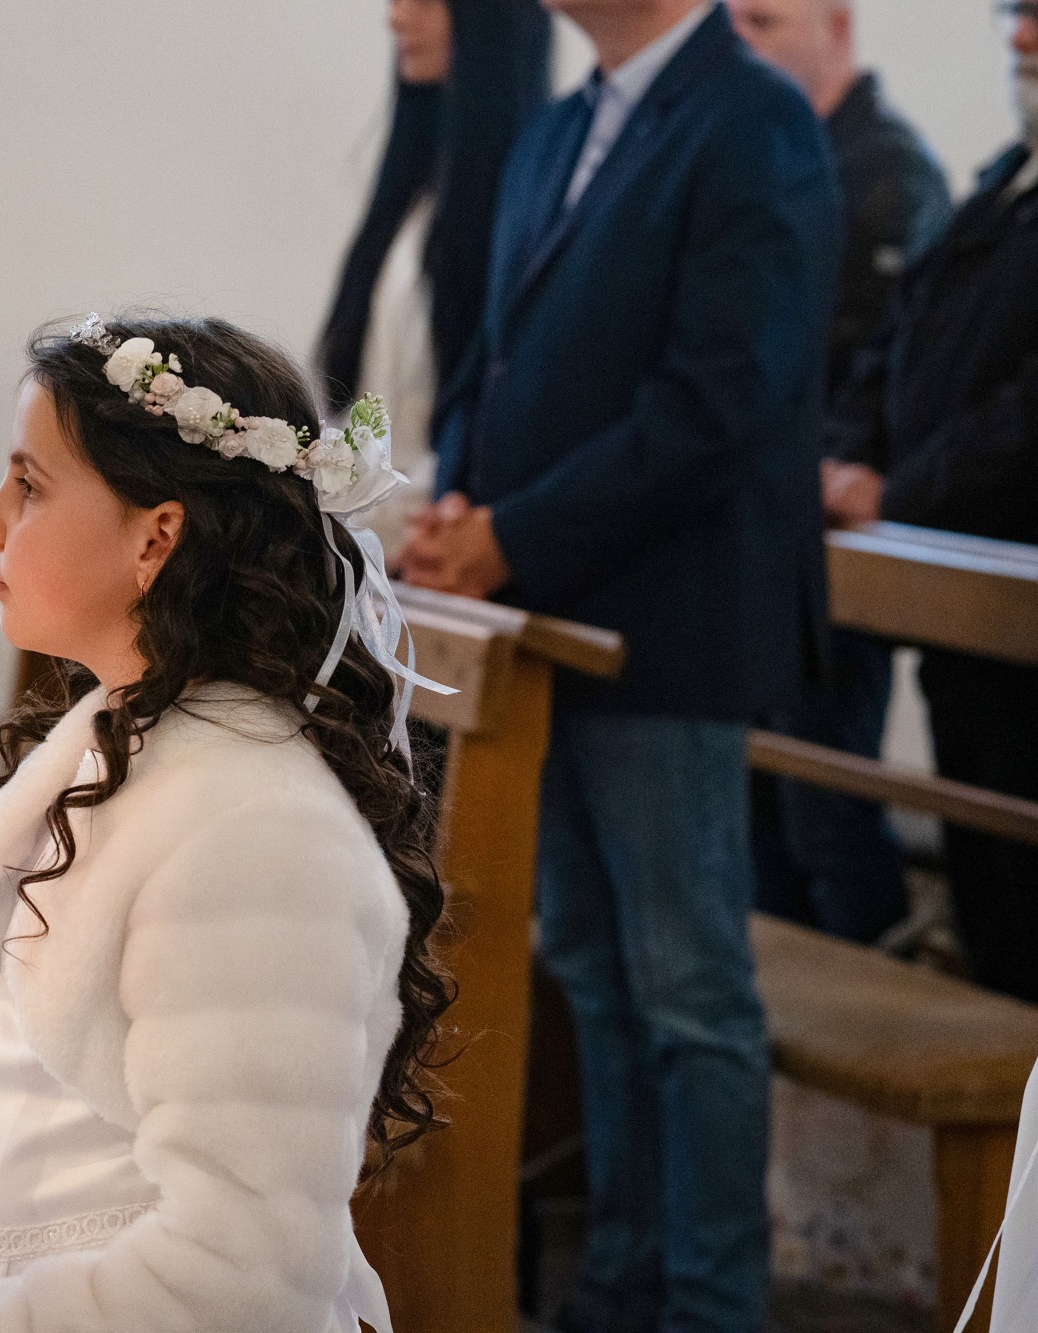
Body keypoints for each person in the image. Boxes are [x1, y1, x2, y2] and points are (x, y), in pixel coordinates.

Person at [0, 314, 453, 1332]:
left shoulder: (259, 836)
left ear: (155, 536)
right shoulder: (109, 747)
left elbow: (241, 1275)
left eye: (29, 486)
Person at [399, 1, 842, 1327]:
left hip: (669, 628)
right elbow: (495, 355)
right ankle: (620, 1278)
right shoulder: (556, 132)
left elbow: (720, 396)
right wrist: (456, 504)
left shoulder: (753, 122)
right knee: (591, 968)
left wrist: (512, 535)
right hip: (548, 626)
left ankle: (709, 1301)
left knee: (688, 991)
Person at [823, 2, 1038, 1002]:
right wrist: (844, 463)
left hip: (1010, 590)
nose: (1019, 38)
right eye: (1014, 15)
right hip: (953, 603)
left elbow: (1024, 416)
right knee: (986, 900)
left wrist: (896, 491)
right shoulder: (1002, 183)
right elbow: (897, 341)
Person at [729, 0, 953, 945]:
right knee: (759, 811)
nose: (742, 42)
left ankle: (872, 964)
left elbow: (887, 368)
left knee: (826, 801)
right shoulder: (763, 158)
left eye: (766, 21)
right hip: (756, 528)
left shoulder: (888, 171)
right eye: (732, 21)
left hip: (828, 535)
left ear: (837, 26)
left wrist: (819, 463)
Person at [316, 0, 552, 550]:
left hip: (446, 538)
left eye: (423, 1)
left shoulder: (531, 192)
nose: (397, 18)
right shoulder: (415, 184)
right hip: (361, 536)